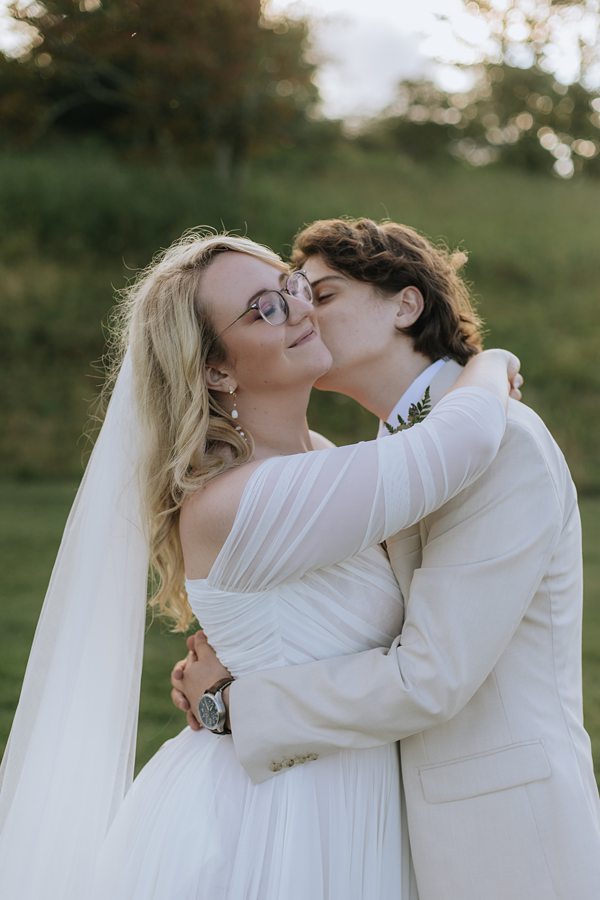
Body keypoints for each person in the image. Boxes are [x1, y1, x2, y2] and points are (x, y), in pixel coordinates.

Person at [0, 229, 520, 900]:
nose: (301, 308)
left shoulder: (315, 456)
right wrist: (488, 362)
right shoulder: (243, 499)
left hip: (344, 795)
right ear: (216, 369)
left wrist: (226, 693)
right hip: (277, 820)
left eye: (292, 287)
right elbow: (465, 438)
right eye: (263, 309)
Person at [172, 219, 600, 900]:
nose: (305, 311)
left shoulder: (500, 445)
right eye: (291, 296)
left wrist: (237, 702)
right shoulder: (385, 462)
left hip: (503, 833)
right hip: (382, 824)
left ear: (406, 304)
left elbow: (431, 676)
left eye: (324, 293)